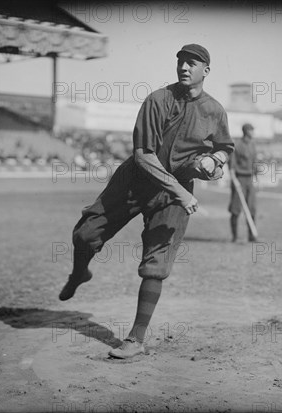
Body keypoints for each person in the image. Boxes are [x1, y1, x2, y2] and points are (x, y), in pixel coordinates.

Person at [58, 44, 234, 359]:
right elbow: (143, 155)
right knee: (84, 234)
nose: (183, 67)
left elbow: (224, 146)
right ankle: (78, 273)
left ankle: (135, 339)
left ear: (205, 71)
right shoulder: (158, 100)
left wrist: (214, 160)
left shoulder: (215, 110)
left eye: (191, 63)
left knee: (156, 263)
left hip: (174, 192)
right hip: (136, 180)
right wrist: (181, 191)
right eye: (180, 61)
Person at [228, 123, 258, 242]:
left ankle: (251, 236)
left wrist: (256, 178)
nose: (252, 132)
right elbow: (232, 164)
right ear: (246, 131)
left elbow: (255, 162)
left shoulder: (253, 145)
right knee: (235, 209)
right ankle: (234, 237)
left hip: (249, 180)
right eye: (251, 130)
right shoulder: (237, 145)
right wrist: (233, 178)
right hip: (239, 178)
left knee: (252, 208)